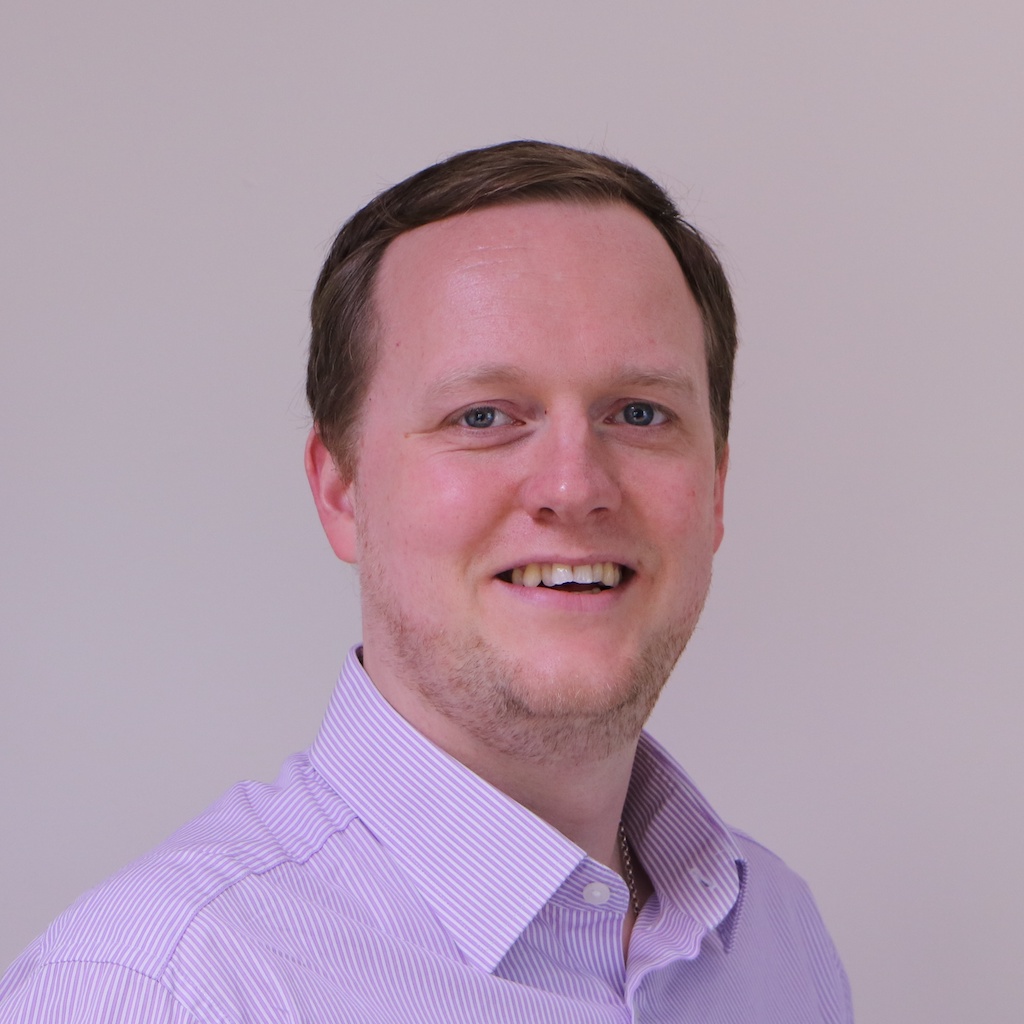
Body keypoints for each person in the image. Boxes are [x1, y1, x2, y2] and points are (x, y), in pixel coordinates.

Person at [0, 141, 853, 1022]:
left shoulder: (773, 935)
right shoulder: (165, 990)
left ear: (713, 490)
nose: (574, 486)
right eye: (482, 415)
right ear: (340, 491)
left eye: (640, 413)